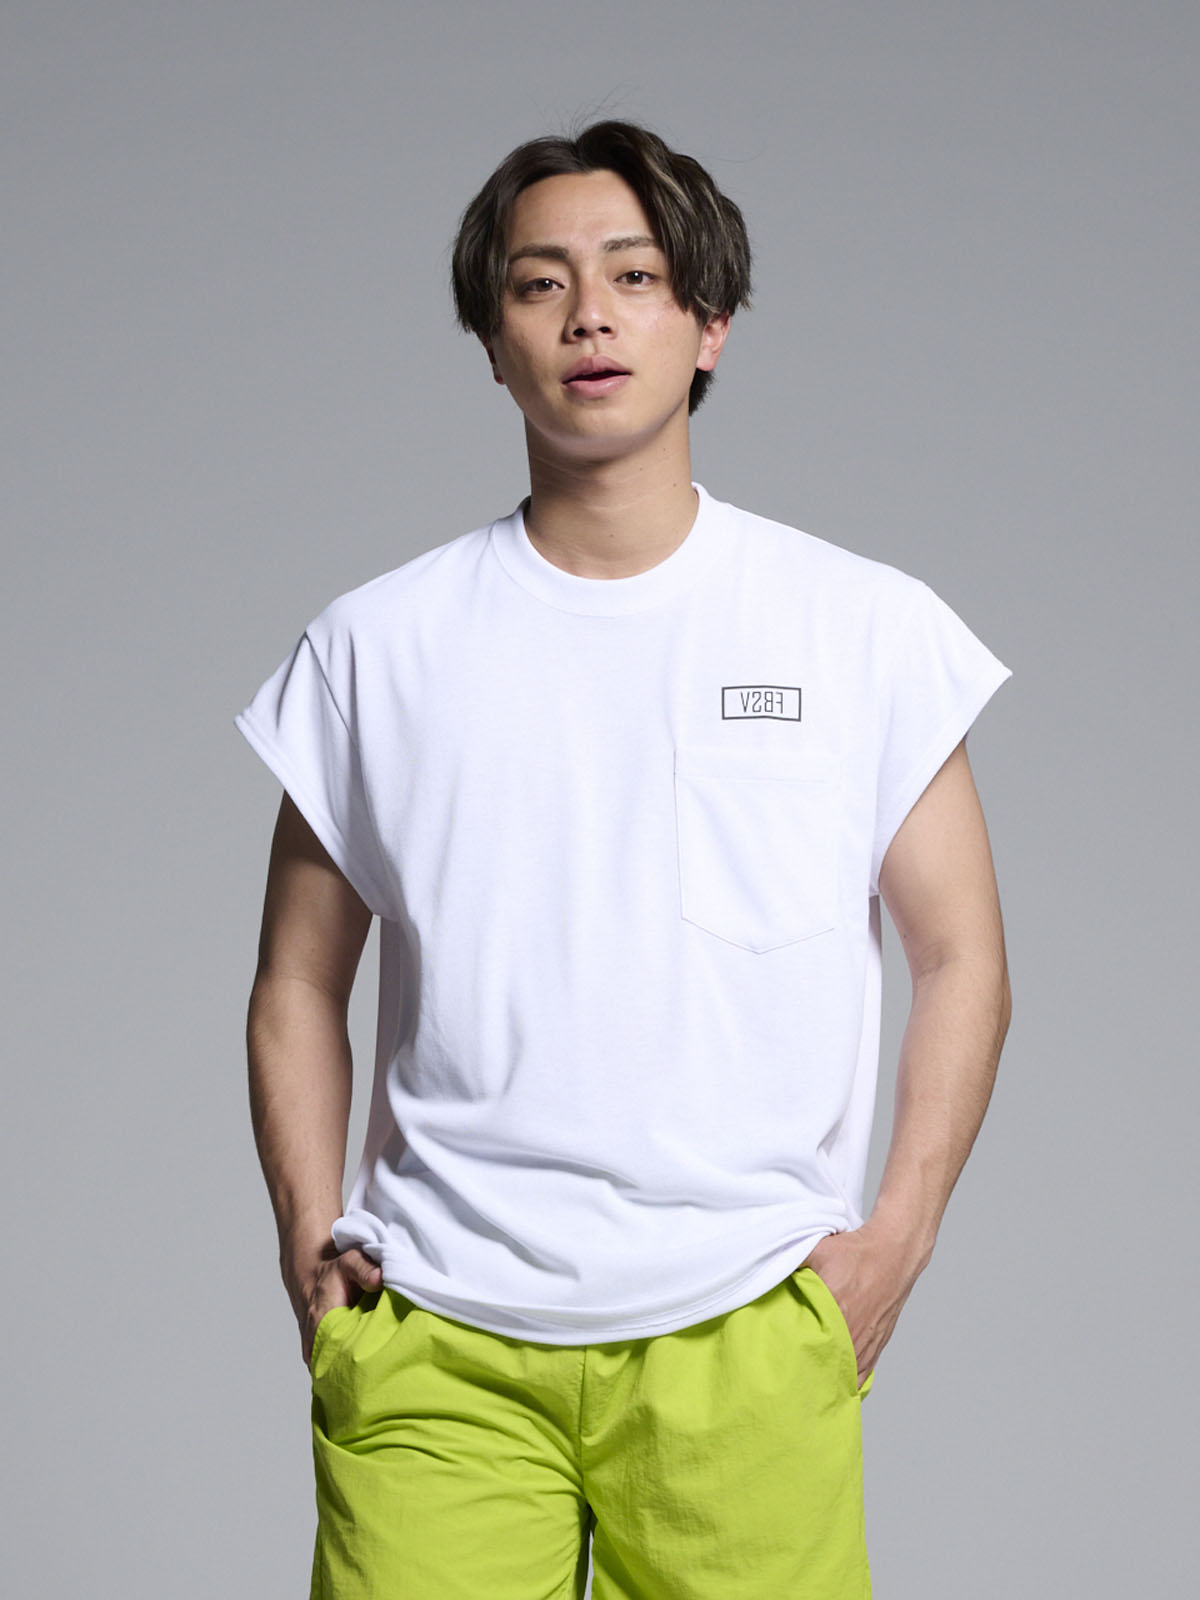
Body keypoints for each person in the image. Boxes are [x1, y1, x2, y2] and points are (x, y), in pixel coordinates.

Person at [238, 118, 1012, 1599]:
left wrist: (898, 1236)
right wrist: (306, 1242)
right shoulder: (376, 647)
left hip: (746, 1324)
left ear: (709, 324)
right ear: (492, 340)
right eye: (539, 284)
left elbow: (964, 954)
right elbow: (295, 981)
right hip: (437, 1332)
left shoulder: (860, 627)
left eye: (635, 277)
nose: (588, 316)